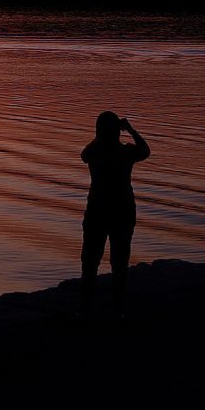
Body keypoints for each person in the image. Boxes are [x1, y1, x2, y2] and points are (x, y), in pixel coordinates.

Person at [79, 112, 150, 317]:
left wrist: (99, 136)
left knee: (90, 262)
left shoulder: (94, 152)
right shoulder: (126, 152)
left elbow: (84, 155)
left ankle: (86, 309)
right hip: (123, 211)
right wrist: (130, 130)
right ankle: (118, 309)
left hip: (97, 212)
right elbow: (145, 150)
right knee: (119, 263)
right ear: (117, 131)